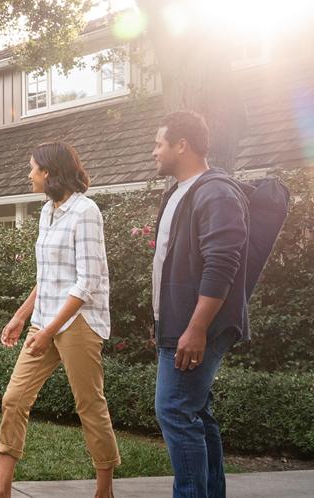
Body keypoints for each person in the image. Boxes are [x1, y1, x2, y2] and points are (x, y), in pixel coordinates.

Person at [0, 142, 119, 498]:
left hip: (78, 322)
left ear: (49, 172)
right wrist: (21, 316)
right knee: (14, 399)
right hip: (45, 319)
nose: (29, 174)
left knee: (89, 404)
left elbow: (87, 281)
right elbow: (48, 276)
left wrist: (50, 330)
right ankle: (1, 490)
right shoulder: (47, 212)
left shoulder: (85, 212)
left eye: (33, 168)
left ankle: (104, 492)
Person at [150, 110, 249, 498]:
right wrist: (162, 318)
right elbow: (171, 261)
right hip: (178, 322)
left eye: (159, 144)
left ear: (181, 145)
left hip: (197, 326)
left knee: (175, 410)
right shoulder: (178, 192)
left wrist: (196, 327)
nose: (154, 152)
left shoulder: (216, 191)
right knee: (196, 413)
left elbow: (222, 263)